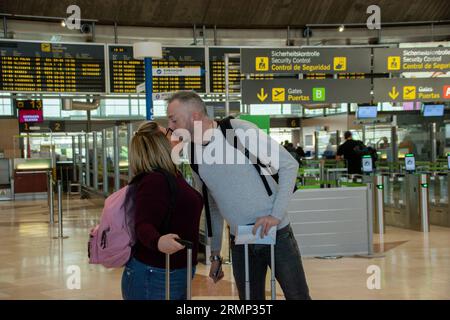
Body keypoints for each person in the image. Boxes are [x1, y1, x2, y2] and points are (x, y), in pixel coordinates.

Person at [167, 91, 310, 300]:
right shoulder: (192, 152)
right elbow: (211, 204)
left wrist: (275, 216)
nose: (170, 125)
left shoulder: (238, 131)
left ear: (195, 116)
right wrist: (215, 252)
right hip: (240, 241)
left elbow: (289, 165)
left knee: (298, 297)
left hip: (276, 234)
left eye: (174, 119)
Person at [121, 121, 203, 300]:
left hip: (174, 270)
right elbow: (143, 224)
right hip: (156, 274)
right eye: (169, 133)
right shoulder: (155, 180)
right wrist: (157, 241)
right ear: (159, 144)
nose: (176, 135)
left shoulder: (172, 174)